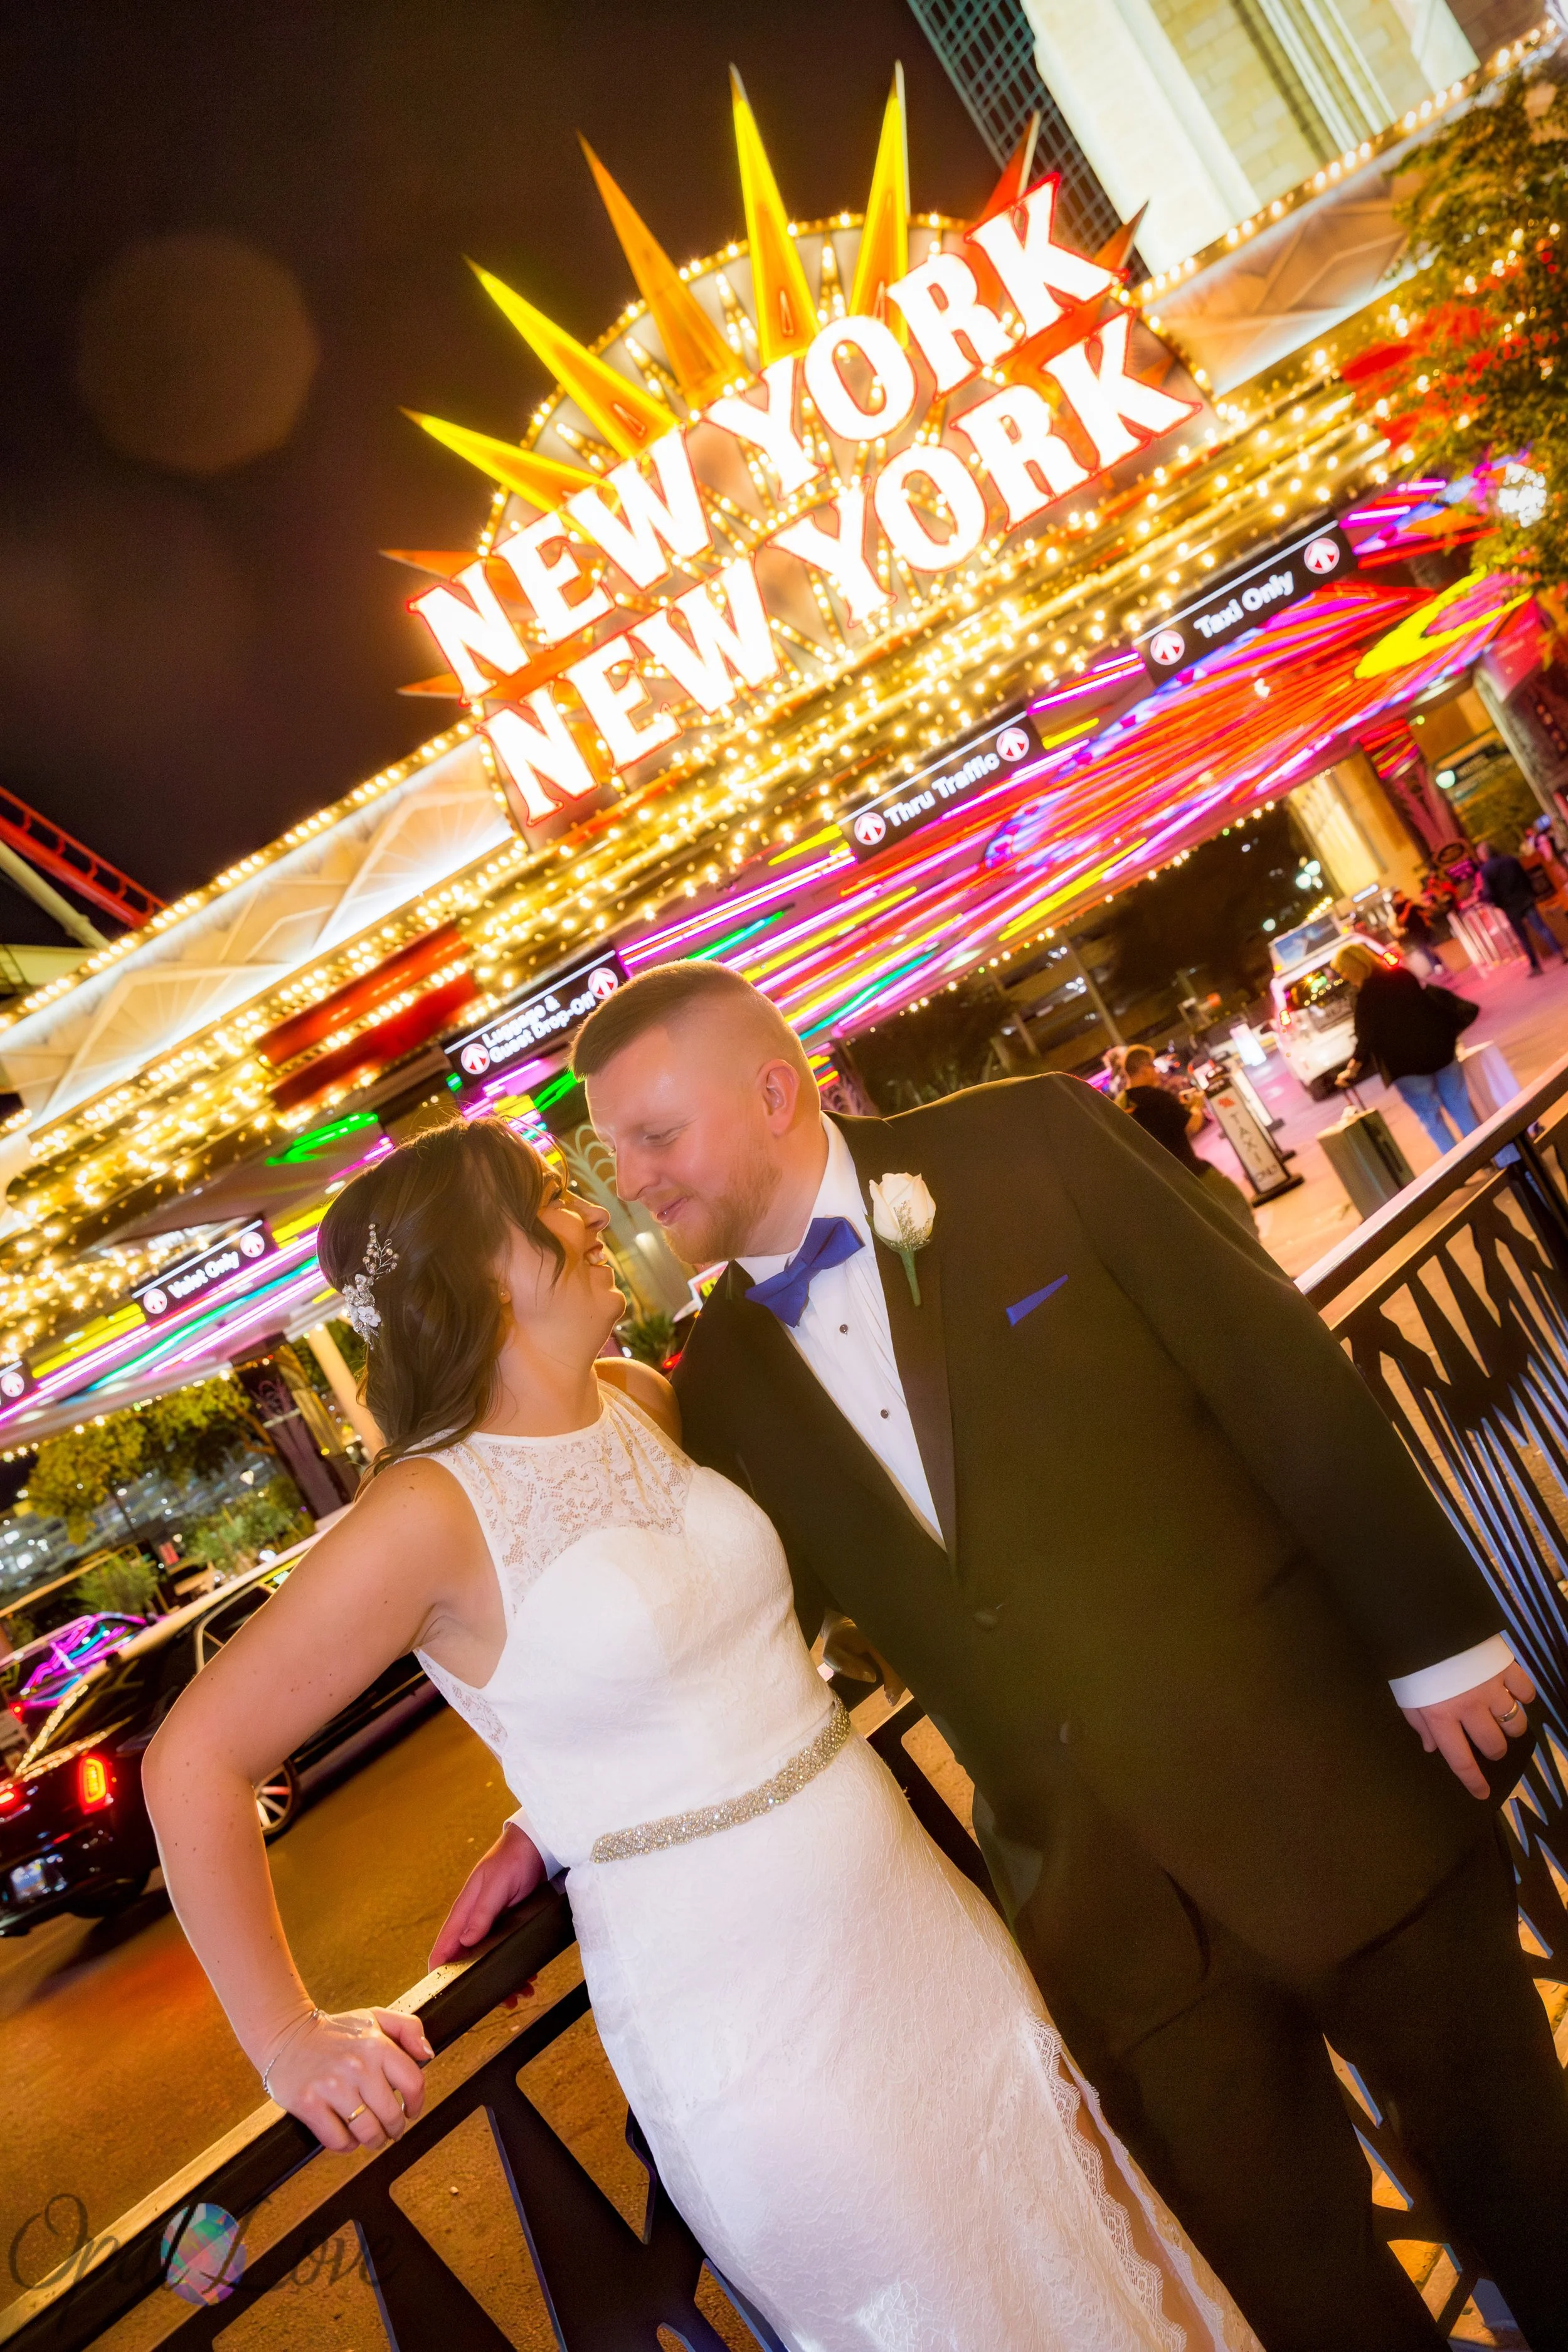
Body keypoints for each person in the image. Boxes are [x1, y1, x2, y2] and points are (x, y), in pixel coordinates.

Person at [440, 961, 1567, 2352]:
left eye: (657, 1140)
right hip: (1112, 1927)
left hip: (1326, 1790)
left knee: (1534, 2196)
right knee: (1312, 2309)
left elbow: (1272, 1369)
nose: (636, 1186)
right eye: (613, 1160)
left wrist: (1438, 1645)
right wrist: (547, 1817)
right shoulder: (719, 1379)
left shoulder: (1030, 1141)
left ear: (775, 1093)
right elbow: (726, 1631)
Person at [142, 1118, 1250, 2352]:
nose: (589, 1215)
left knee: (1087, 2255)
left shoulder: (635, 1399)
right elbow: (191, 1761)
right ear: (479, 1270)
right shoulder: (420, 1513)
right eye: (549, 1199)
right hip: (758, 2029)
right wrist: (290, 2038)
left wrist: (543, 1815)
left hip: (919, 1929)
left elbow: (688, 1657)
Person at [1330, 939, 1480, 1157]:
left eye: (1343, 970)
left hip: (1406, 1067)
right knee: (1460, 1105)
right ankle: (1489, 1155)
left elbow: (1366, 1038)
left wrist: (1352, 1070)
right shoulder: (1402, 976)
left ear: (1354, 966)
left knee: (1430, 1117)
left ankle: (1460, 1167)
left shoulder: (1365, 998)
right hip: (1440, 1050)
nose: (1344, 976)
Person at [1115, 1044, 1256, 1236]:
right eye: (1153, 1067)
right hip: (1189, 1171)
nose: (1157, 1072)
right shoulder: (1158, 1098)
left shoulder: (1121, 1105)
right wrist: (1196, 1106)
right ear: (1143, 1070)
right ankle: (1254, 1250)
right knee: (1234, 1201)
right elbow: (1192, 1125)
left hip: (1159, 1184)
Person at [1476, 835, 1565, 975]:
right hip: (1525, 900)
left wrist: (1494, 902)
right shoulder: (1510, 860)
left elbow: (1490, 892)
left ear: (1484, 855)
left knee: (1523, 937)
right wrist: (1531, 894)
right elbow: (1525, 877)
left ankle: (1536, 966)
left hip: (1510, 907)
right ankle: (1560, 953)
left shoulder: (1487, 870)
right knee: (1541, 928)